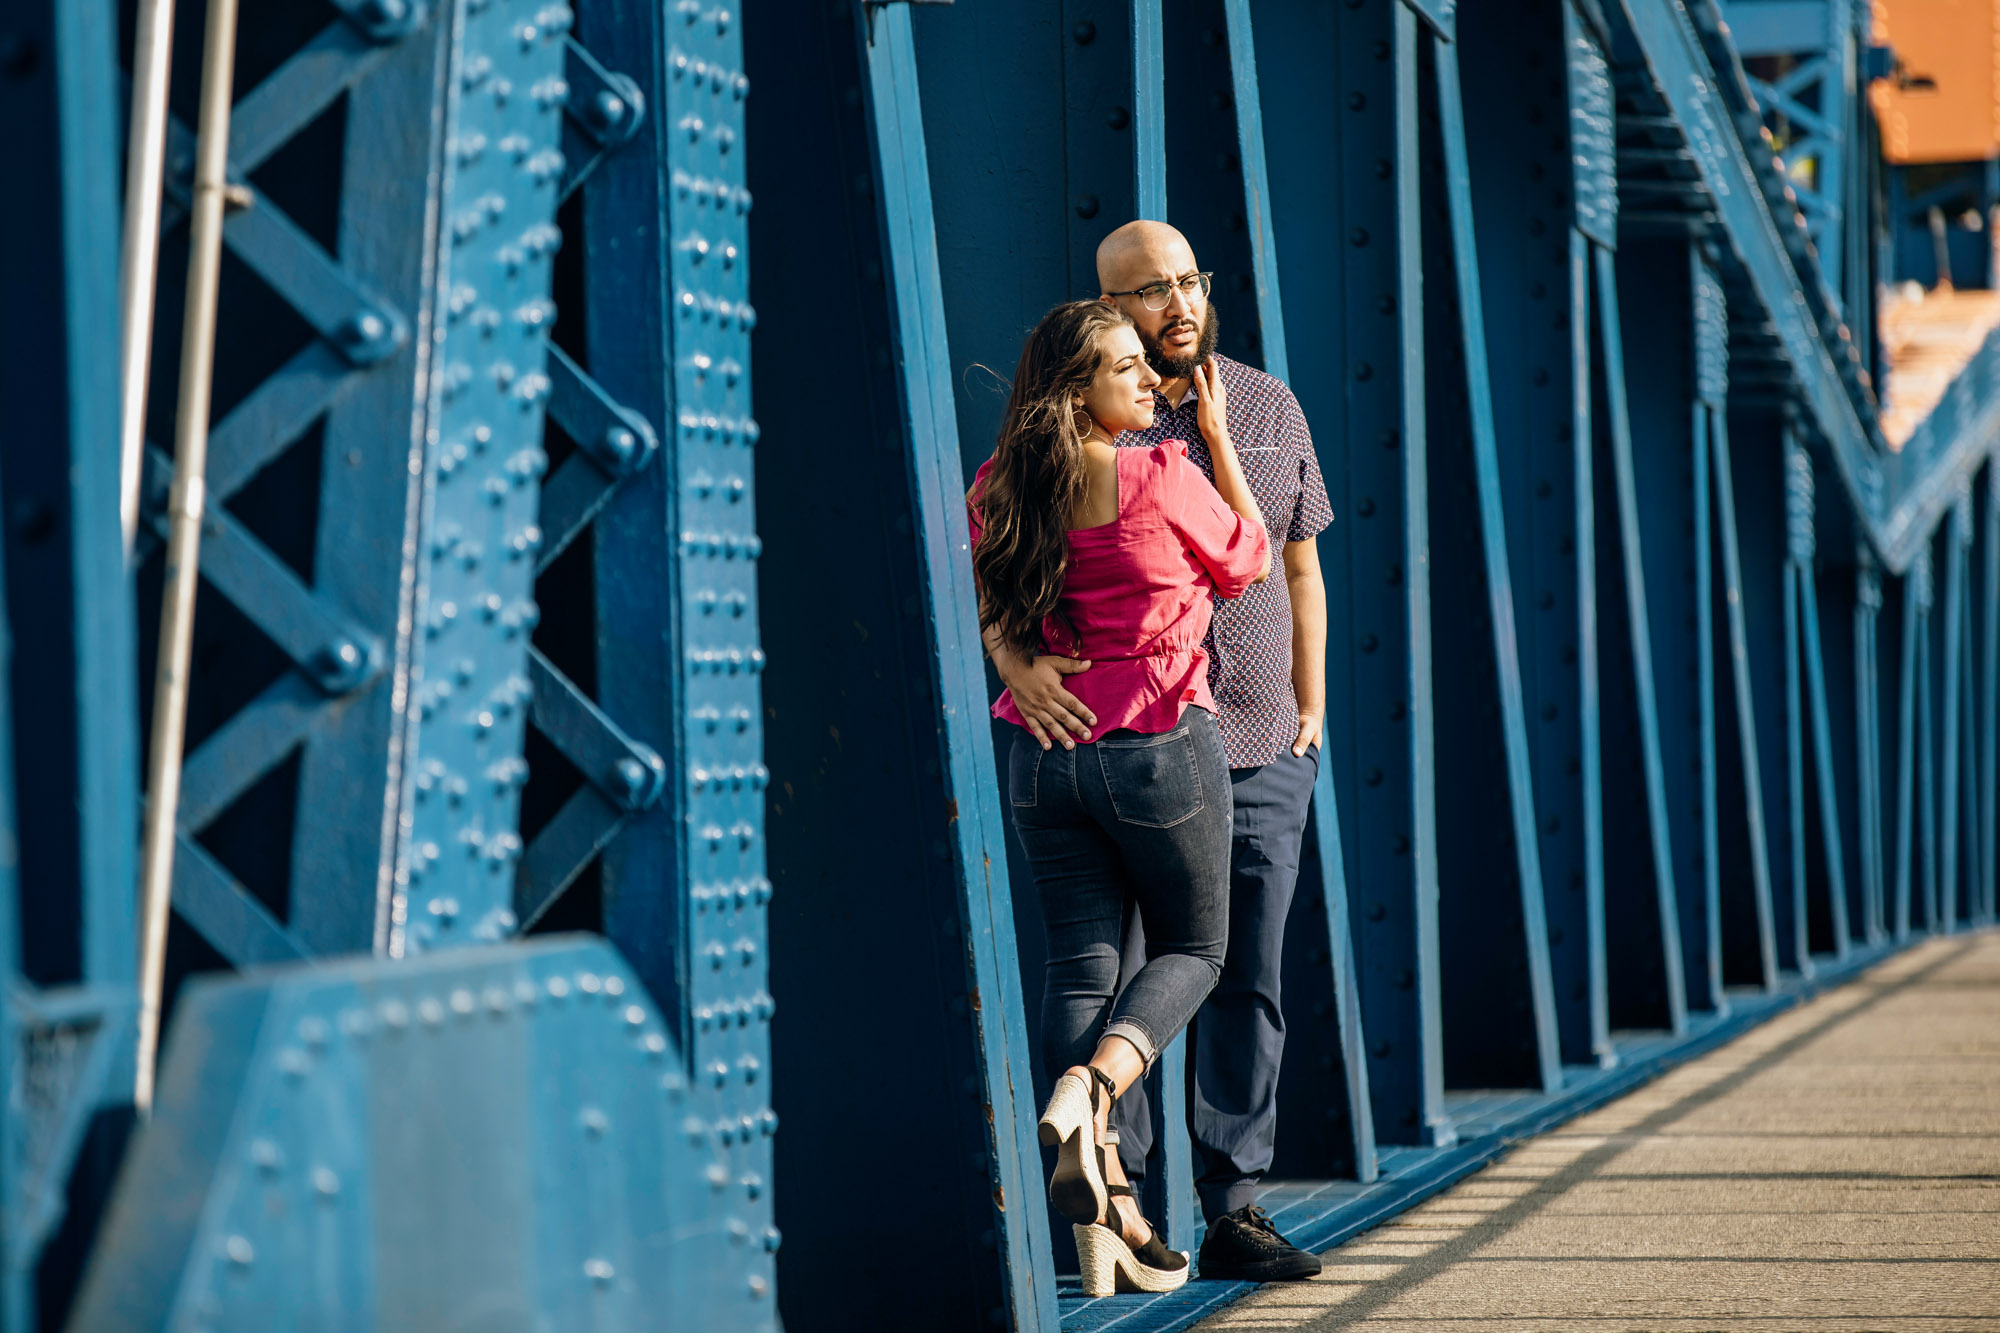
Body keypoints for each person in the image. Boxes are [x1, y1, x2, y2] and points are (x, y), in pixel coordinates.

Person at [989, 222, 1334, 1283]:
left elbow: (1296, 564)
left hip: (1257, 731)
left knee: (1245, 975)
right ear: (1108, 307)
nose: (1176, 305)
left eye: (1188, 282)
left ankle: (1232, 1202)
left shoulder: (1268, 405)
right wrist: (1009, 657)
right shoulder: (1105, 421)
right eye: (1149, 292)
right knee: (1141, 967)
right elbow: (995, 560)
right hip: (1156, 734)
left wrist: (1308, 705)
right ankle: (1114, 1183)